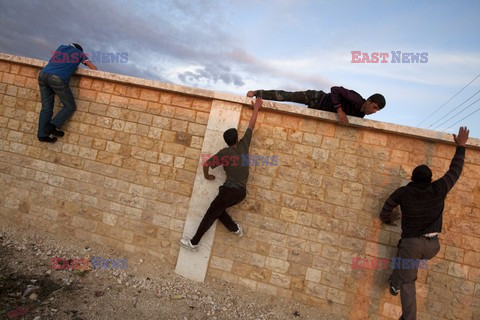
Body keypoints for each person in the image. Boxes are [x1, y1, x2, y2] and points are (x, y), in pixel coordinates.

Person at [380, 126, 469, 320]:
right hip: (432, 247)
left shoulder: (404, 192)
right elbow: (455, 170)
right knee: (402, 255)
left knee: (408, 281)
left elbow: (386, 208)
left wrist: (389, 219)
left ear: (412, 178)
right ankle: (394, 283)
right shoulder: (439, 188)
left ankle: (408, 316)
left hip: (412, 245)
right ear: (430, 179)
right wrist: (461, 146)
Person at [180, 98, 263, 251]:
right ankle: (234, 228)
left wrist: (207, 176)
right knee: (217, 210)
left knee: (211, 213)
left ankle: (194, 243)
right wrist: (256, 108)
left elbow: (206, 164)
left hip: (229, 191)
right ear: (237, 138)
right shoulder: (244, 145)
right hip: (241, 193)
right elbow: (251, 125)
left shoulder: (225, 153)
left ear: (226, 141)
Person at [37, 43, 97, 142]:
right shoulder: (80, 54)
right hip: (57, 78)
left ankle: (42, 135)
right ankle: (52, 126)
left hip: (43, 75)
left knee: (46, 108)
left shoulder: (60, 47)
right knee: (70, 106)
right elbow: (93, 69)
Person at [246, 87, 385, 125]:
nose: (374, 111)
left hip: (318, 110)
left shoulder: (360, 115)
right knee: (288, 96)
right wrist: (340, 111)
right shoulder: (355, 98)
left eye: (377, 110)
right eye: (374, 107)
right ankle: (257, 92)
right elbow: (335, 89)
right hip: (316, 97)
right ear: (368, 101)